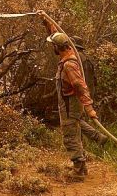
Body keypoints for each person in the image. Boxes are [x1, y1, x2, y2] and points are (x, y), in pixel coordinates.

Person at [36, 10, 97, 177]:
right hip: (70, 104)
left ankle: (78, 171)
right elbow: (56, 35)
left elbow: (79, 85)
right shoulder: (67, 52)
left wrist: (90, 108)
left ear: (58, 48)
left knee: (70, 136)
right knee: (75, 133)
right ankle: (82, 168)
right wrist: (46, 20)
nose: (52, 47)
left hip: (71, 104)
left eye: (53, 45)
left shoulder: (69, 64)